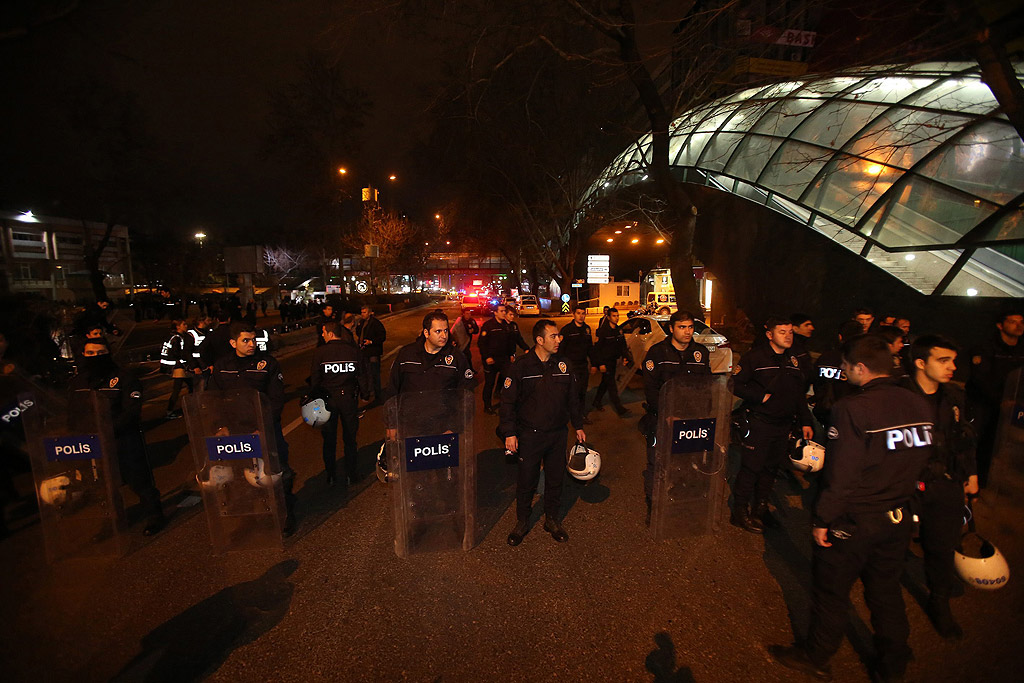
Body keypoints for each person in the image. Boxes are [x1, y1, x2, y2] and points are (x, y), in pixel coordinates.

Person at [770, 334, 936, 683]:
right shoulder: (919, 404)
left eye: (846, 368)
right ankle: (892, 663)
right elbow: (925, 460)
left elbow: (841, 474)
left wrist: (823, 518)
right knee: (886, 591)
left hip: (856, 519)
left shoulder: (853, 409)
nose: (844, 374)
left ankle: (816, 656)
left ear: (861, 368)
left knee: (831, 592)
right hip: (898, 515)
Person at [901, 335, 977, 639]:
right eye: (943, 360)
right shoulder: (898, 395)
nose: (952, 367)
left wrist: (970, 474)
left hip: (946, 483)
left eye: (953, 361)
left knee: (942, 547)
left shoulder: (954, 396)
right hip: (904, 483)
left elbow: (965, 437)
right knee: (889, 543)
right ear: (921, 363)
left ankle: (939, 603)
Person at [500, 319, 585, 546]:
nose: (559, 339)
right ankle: (522, 522)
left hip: (557, 434)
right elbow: (507, 402)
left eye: (558, 336)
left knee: (556, 479)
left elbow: (572, 399)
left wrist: (578, 425)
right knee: (527, 480)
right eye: (554, 336)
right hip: (530, 435)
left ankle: (552, 519)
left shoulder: (563, 365)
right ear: (539, 340)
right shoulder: (521, 366)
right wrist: (510, 433)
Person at [69, 339, 165, 536]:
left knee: (138, 480)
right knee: (102, 484)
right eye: (90, 354)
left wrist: (108, 431)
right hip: (91, 443)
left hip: (123, 439)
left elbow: (131, 411)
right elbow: (73, 413)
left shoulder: (124, 378)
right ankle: (114, 519)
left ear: (108, 353)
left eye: (100, 352)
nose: (95, 357)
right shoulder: (78, 382)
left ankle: (154, 515)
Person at [209, 321, 294, 535]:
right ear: (233, 342)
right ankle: (249, 518)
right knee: (240, 477)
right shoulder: (221, 366)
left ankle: (285, 516)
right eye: (245, 340)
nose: (251, 344)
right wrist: (220, 426)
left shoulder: (268, 363)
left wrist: (262, 427)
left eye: (253, 339)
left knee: (276, 473)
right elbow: (213, 399)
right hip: (235, 432)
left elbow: (276, 399)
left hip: (264, 429)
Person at [731, 316, 814, 533]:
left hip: (783, 425)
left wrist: (805, 420)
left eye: (790, 332)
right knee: (751, 468)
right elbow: (735, 384)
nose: (787, 336)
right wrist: (760, 396)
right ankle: (739, 512)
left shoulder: (793, 360)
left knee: (770, 469)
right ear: (770, 335)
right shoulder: (755, 358)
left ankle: (760, 508)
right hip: (759, 422)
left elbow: (798, 394)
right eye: (782, 332)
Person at [640, 310, 711, 510]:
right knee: (658, 463)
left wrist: (705, 413)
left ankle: (680, 498)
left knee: (688, 461)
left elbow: (706, 386)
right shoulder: (657, 353)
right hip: (664, 418)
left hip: (691, 420)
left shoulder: (700, 353)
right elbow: (651, 389)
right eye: (682, 327)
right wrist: (667, 414)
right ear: (671, 329)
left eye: (690, 327)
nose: (687, 332)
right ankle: (653, 506)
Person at [382, 310, 476, 440]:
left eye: (446, 331)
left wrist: (454, 427)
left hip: (443, 428)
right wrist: (391, 424)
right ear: (426, 333)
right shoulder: (406, 354)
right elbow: (392, 389)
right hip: (410, 427)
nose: (443, 335)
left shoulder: (457, 358)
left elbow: (466, 395)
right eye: (438, 331)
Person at [966, 310, 1024, 484]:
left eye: (1021, 321)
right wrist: (1002, 400)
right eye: (1013, 321)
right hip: (984, 403)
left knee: (996, 446)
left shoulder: (1021, 350)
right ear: (1000, 325)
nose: (1018, 325)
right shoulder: (986, 347)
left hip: (1012, 404)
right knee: (976, 441)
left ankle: (983, 480)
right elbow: (981, 379)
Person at [310, 321, 365, 486]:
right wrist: (365, 393)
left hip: (328, 400)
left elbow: (315, 379)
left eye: (323, 332)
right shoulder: (353, 351)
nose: (322, 335)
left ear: (329, 333)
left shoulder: (320, 353)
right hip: (348, 398)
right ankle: (351, 473)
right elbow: (362, 374)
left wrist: (314, 398)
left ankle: (331, 474)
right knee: (350, 438)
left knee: (329, 439)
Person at [810, 320, 864, 431]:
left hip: (823, 413)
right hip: (851, 417)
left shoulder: (825, 357)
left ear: (840, 337)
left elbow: (815, 381)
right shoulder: (862, 363)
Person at [591, 307, 632, 418]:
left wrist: (625, 357)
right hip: (605, 362)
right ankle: (619, 408)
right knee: (611, 385)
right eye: (614, 316)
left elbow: (622, 346)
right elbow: (597, 349)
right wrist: (600, 364)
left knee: (605, 383)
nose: (616, 318)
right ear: (608, 317)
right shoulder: (603, 331)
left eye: (617, 315)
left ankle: (596, 401)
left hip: (613, 361)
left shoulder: (618, 330)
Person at [559, 304, 594, 424]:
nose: (581, 316)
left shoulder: (587, 329)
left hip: (583, 365)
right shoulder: (566, 330)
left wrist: (594, 363)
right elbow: (561, 349)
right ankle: (568, 414)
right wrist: (562, 366)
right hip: (571, 366)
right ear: (574, 314)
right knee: (571, 391)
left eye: (583, 313)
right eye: (578, 313)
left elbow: (590, 348)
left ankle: (581, 415)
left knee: (582, 391)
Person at [479, 304, 514, 414]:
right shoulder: (488, 325)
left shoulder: (507, 326)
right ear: (495, 313)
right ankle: (487, 405)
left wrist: (511, 354)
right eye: (502, 311)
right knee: (489, 383)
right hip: (491, 361)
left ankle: (507, 403)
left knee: (509, 380)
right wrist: (487, 357)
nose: (504, 313)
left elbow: (510, 342)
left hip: (504, 360)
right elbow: (482, 343)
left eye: (505, 311)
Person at [160, 320, 191, 419]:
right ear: (178, 327)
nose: (186, 326)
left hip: (171, 366)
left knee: (189, 385)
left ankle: (189, 405)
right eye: (184, 324)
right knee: (178, 389)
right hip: (177, 367)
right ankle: (170, 411)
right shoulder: (177, 338)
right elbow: (177, 353)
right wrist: (185, 362)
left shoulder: (171, 336)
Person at [356, 305, 387, 405]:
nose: (363, 314)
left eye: (364, 312)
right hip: (364, 351)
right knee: (366, 373)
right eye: (362, 312)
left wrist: (371, 341)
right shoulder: (361, 322)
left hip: (373, 351)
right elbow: (358, 332)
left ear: (369, 312)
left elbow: (382, 336)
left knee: (374, 373)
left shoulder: (376, 323)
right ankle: (369, 392)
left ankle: (378, 395)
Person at [790, 313, 815, 385]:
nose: (812, 328)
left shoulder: (802, 346)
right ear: (795, 328)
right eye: (807, 325)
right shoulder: (792, 348)